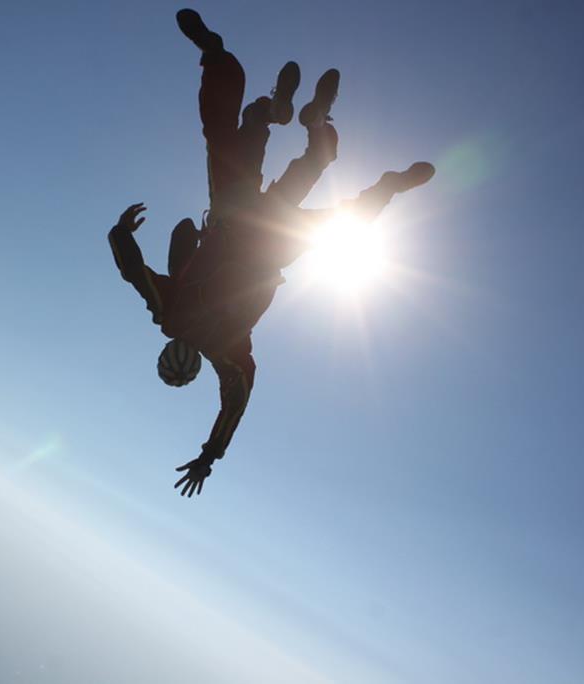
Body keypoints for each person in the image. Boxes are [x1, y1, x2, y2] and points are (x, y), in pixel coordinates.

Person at [108, 9, 435, 497]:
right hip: (239, 221)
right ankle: (277, 104)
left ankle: (335, 143)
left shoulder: (226, 353)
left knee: (328, 194)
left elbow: (233, 407)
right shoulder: (176, 318)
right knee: (235, 136)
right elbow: (134, 271)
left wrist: (209, 456)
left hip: (265, 241)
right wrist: (121, 232)